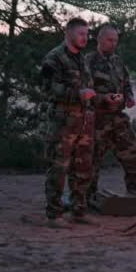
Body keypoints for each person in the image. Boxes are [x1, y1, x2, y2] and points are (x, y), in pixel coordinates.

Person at [40, 17, 98, 228]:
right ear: (69, 33)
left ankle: (78, 211)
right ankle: (53, 215)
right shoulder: (54, 58)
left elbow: (88, 88)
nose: (85, 38)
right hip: (63, 123)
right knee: (58, 168)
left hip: (84, 123)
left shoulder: (82, 59)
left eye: (87, 34)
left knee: (83, 169)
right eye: (81, 34)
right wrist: (77, 94)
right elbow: (47, 88)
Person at [86, 25, 136, 200]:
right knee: (91, 160)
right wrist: (104, 97)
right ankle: (87, 198)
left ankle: (134, 195)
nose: (113, 44)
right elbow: (84, 91)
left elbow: (126, 84)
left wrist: (129, 98)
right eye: (110, 40)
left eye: (116, 41)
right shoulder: (88, 61)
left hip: (118, 118)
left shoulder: (118, 62)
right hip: (97, 119)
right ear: (100, 40)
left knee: (132, 154)